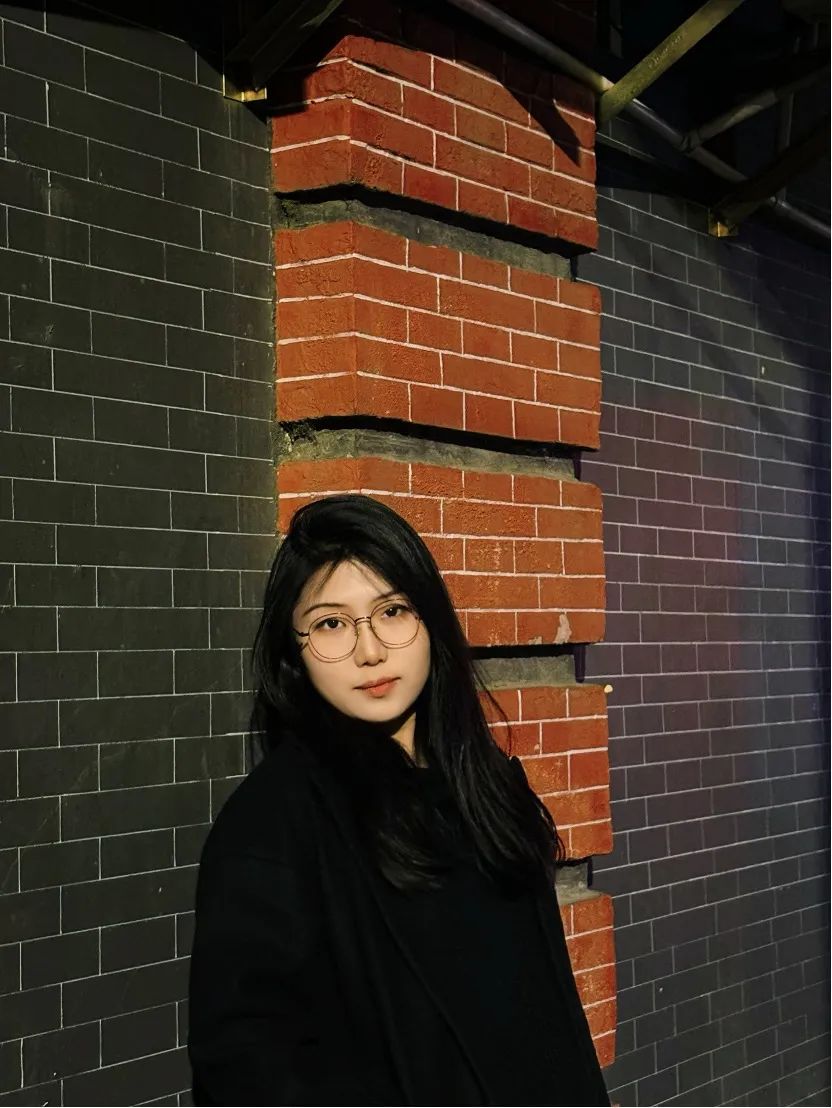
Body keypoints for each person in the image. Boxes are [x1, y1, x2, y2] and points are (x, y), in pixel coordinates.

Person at [187, 493, 611, 1106]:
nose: (370, 651)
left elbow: (548, 1012)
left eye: (392, 611)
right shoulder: (271, 826)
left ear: (429, 618)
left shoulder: (486, 783)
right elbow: (246, 1070)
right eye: (331, 624)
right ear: (293, 651)